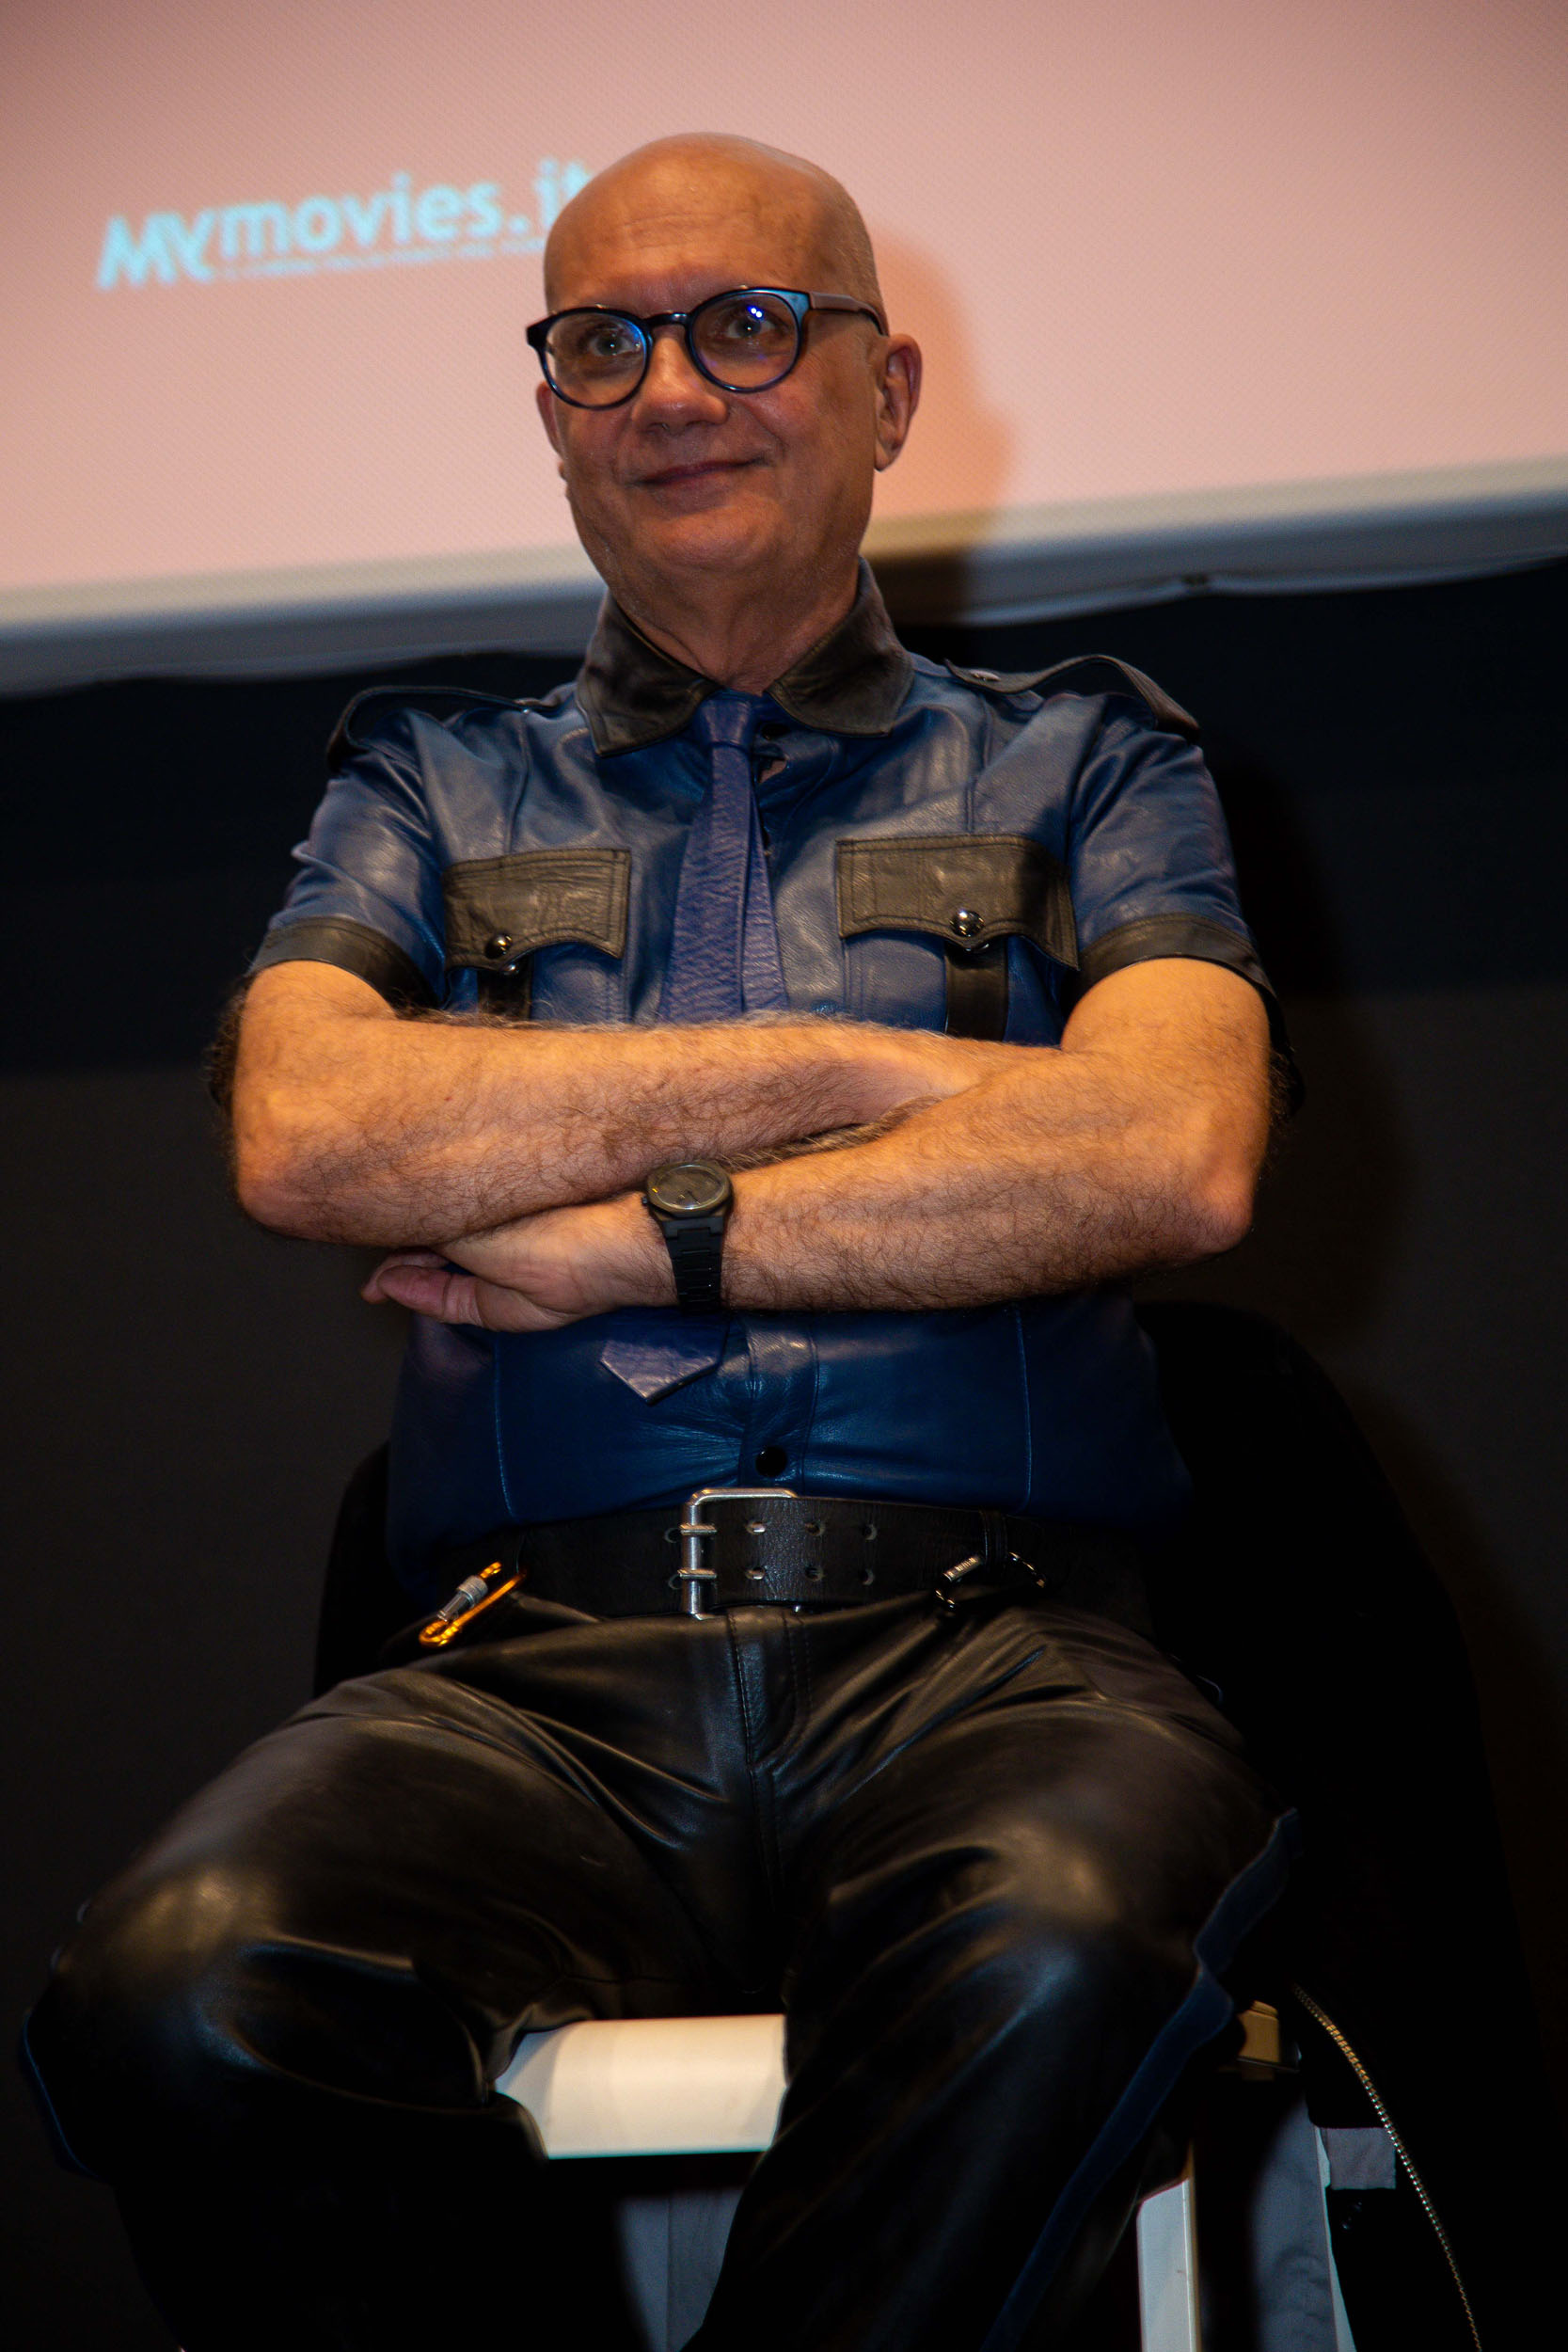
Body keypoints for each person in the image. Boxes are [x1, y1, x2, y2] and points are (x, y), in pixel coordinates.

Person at [26, 135, 1298, 2349]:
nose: (674, 389)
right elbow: (307, 1125)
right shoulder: (428, 781)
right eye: (603, 343)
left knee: (1064, 1930)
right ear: (550, 413)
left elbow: (1175, 1151)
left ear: (889, 390)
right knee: (180, 1982)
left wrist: (648, 1241)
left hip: (989, 1656)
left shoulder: (1091, 761)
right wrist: (871, 1069)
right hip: (532, 1683)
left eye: (748, 325)